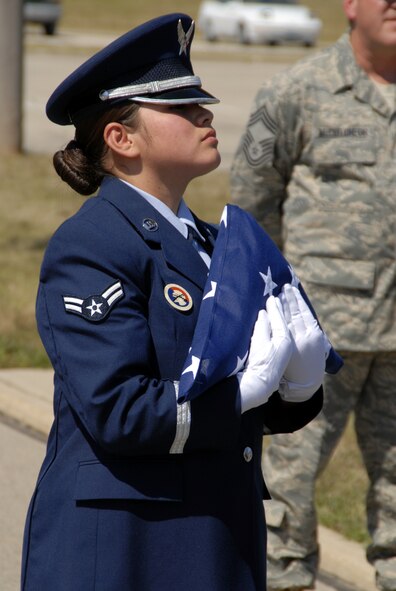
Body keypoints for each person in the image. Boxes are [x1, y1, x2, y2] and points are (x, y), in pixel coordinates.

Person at [20, 13, 328, 591]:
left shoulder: (220, 245)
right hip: (128, 544)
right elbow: (117, 411)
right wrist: (239, 395)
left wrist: (299, 390)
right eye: (180, 106)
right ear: (121, 137)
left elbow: (246, 406)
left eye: (200, 101)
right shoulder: (92, 243)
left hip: (216, 534)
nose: (204, 114)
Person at [230, 1, 396, 590]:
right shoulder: (294, 90)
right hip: (319, 338)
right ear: (351, 4)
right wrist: (276, 306)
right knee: (287, 492)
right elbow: (250, 204)